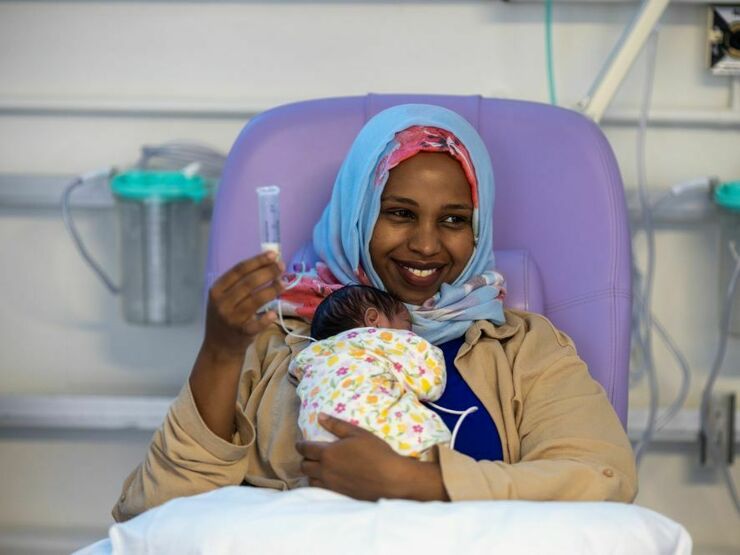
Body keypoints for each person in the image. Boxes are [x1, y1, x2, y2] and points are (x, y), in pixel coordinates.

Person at [112, 104, 637, 521]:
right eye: (399, 213)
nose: (427, 245)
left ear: (478, 230)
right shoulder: (279, 343)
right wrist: (221, 354)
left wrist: (420, 484)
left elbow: (603, 476)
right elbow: (155, 515)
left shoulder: (524, 350)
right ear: (357, 213)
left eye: (453, 219)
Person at [291, 284, 454, 460]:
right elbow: (430, 385)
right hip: (384, 440)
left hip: (324, 449)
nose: (410, 334)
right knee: (435, 454)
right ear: (373, 319)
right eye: (407, 326)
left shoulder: (312, 358)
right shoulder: (383, 340)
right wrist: (429, 351)